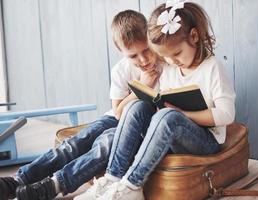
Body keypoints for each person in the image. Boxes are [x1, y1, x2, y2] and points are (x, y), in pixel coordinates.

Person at [76, 1, 236, 200]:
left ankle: (132, 186)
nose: (171, 61)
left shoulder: (212, 68)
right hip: (175, 134)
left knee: (169, 116)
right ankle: (113, 178)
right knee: (138, 105)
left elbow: (227, 114)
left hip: (206, 140)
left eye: (176, 53)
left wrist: (184, 114)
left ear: (194, 37)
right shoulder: (170, 68)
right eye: (166, 57)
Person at [0, 9, 161, 200]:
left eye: (146, 50)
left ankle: (52, 186)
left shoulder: (165, 63)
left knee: (106, 142)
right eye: (133, 56)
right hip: (115, 117)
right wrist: (140, 88)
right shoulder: (120, 70)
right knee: (76, 143)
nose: (143, 60)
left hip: (139, 125)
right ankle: (19, 179)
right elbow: (118, 111)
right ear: (121, 51)